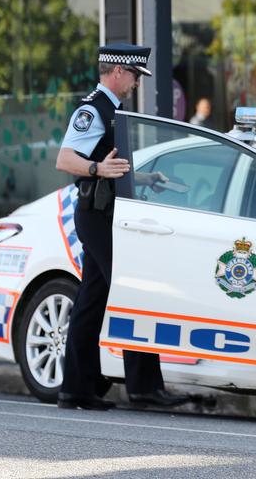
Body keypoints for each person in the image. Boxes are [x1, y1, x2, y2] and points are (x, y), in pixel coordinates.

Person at [55, 43, 189, 411]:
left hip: (106, 212)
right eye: (133, 76)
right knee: (135, 291)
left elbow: (105, 161)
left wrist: (143, 177)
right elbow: (65, 158)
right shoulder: (92, 110)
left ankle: (76, 389)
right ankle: (145, 387)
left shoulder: (112, 110)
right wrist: (98, 170)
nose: (134, 83)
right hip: (98, 215)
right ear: (116, 72)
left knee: (92, 300)